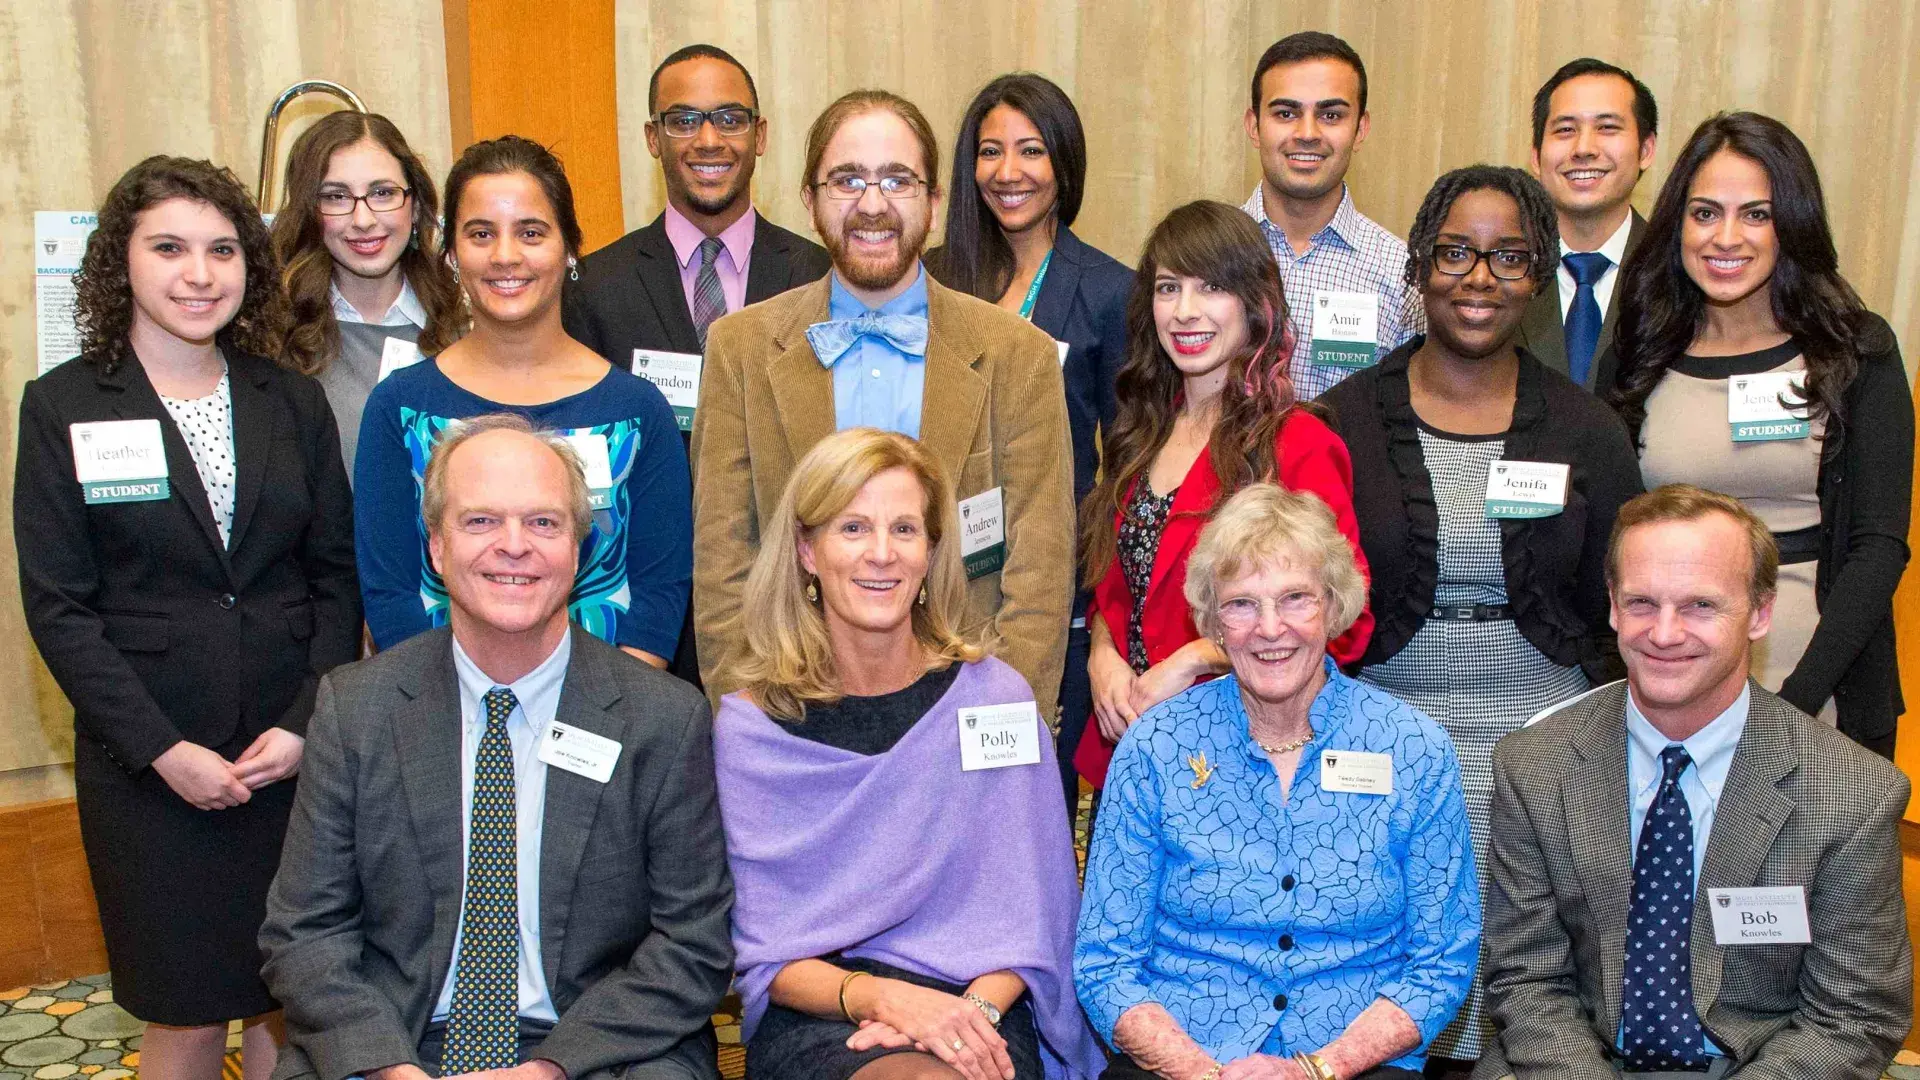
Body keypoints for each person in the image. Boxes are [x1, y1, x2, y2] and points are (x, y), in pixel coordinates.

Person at [14, 156, 360, 1080]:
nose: (197, 274)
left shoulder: (291, 400)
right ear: (119, 261)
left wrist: (303, 725)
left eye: (220, 249)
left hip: (287, 760)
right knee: (185, 1012)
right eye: (168, 247)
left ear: (250, 264)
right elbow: (58, 606)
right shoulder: (65, 406)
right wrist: (164, 750)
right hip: (151, 770)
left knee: (295, 1001)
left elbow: (335, 577)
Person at [262, 415, 734, 1080]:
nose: (514, 546)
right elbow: (304, 934)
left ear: (579, 547)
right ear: (435, 546)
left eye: (543, 523)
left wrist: (549, 1070)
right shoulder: (356, 710)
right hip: (399, 1038)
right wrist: (391, 1068)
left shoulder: (662, 718)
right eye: (481, 522)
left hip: (596, 1045)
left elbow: (694, 944)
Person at [1319, 165, 1642, 1067]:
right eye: (1455, 251)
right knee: (1380, 971)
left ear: (1539, 278)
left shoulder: (1588, 431)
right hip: (1378, 737)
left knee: (1528, 990)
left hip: (1539, 739)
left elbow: (1619, 611)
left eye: (1508, 257)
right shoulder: (1339, 422)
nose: (1478, 277)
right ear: (1418, 265)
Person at [1479, 485, 1911, 1080]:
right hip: (1574, 1062)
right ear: (1610, 605)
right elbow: (1528, 980)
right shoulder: (1536, 766)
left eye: (1700, 606)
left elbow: (1853, 1017)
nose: (1664, 633)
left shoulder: (1852, 792)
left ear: (1760, 613)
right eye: (1641, 603)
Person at [713, 427, 1104, 1080]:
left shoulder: (995, 701)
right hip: (826, 1008)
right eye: (853, 529)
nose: (881, 555)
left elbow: (1038, 915)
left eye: (903, 530)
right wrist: (886, 1000)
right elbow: (765, 952)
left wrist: (967, 1014)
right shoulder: (755, 730)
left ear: (930, 553)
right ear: (807, 551)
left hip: (981, 1004)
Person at [1076, 484, 1479, 1080]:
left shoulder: (1413, 749)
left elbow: (1442, 961)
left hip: (1355, 1061)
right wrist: (1203, 1074)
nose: (1270, 629)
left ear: (1334, 605)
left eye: (1295, 598)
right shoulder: (1156, 746)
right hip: (1181, 1060)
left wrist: (1319, 1068)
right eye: (1241, 604)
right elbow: (1105, 962)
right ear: (1213, 621)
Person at [692, 89, 1074, 711]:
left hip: (965, 702)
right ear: (810, 201)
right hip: (794, 705)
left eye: (898, 180)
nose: (873, 205)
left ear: (933, 201)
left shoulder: (1017, 356)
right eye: (847, 180)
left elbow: (1039, 574)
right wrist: (754, 720)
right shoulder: (741, 350)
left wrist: (996, 732)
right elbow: (723, 565)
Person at [1607, 111, 1912, 758]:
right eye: (1705, 212)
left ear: (1791, 224)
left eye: (1756, 214)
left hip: (1817, 691)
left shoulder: (1857, 352)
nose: (1726, 237)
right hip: (1665, 680)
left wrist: (1793, 703)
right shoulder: (1636, 353)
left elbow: (1878, 547)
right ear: (1677, 224)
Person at [356, 135, 692, 671]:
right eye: (481, 234)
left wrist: (605, 716)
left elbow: (660, 593)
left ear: (570, 248)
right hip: (438, 716)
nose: (505, 256)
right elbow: (388, 593)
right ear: (451, 253)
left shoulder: (638, 411)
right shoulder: (398, 407)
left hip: (604, 720)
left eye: (531, 232)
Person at [1072, 200, 1372, 794]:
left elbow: (1347, 619)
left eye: (1211, 287)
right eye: (1167, 287)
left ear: (1255, 305)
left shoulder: (1299, 444)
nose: (1185, 311)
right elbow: (1117, 584)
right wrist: (1100, 654)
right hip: (1132, 749)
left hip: (1242, 759)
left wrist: (1190, 659)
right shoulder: (1142, 432)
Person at [926, 71, 1134, 810]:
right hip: (934, 587)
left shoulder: (1111, 291)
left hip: (1053, 591)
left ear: (1064, 164)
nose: (1008, 172)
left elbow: (1127, 458)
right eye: (989, 152)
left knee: (1034, 797)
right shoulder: (934, 278)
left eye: (1031, 151)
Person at [566, 43, 830, 375]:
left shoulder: (819, 275)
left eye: (730, 120)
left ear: (759, 136)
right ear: (653, 138)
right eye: (684, 121)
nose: (708, 141)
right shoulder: (594, 288)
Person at [271, 110, 463, 477]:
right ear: (310, 212)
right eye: (337, 196)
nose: (363, 220)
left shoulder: (466, 322)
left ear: (416, 203)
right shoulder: (275, 337)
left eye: (382, 193)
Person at [1239, 31, 1422, 399]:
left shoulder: (1403, 276)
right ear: (1254, 126)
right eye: (1286, 113)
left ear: (1361, 128)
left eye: (1331, 114)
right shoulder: (1200, 259)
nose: (1307, 133)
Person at [1517, 59, 1658, 390]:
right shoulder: (1497, 271)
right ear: (1536, 156)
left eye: (1607, 127)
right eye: (1565, 130)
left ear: (1646, 149)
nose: (1583, 149)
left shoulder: (1679, 271)